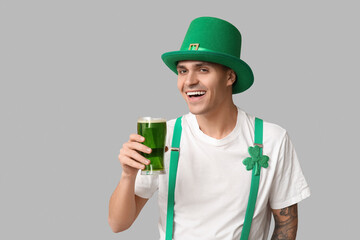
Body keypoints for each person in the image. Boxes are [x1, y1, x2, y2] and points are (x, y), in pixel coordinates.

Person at [108, 16, 310, 240]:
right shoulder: (163, 136)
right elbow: (118, 224)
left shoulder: (273, 139)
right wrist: (128, 175)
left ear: (230, 77)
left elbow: (286, 226)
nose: (189, 81)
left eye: (203, 70)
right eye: (182, 71)